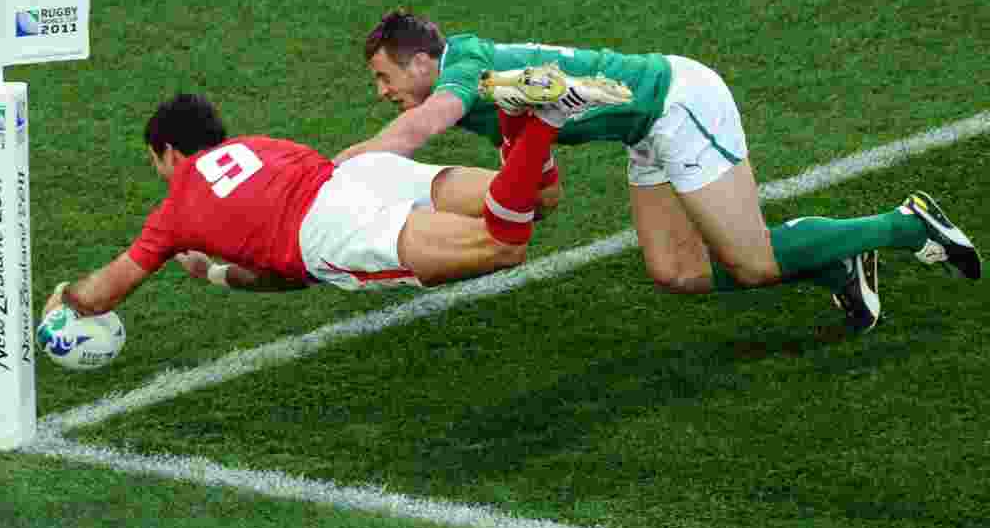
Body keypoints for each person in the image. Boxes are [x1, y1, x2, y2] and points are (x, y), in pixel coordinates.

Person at [335, 8, 983, 332]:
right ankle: (835, 263)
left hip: (676, 104)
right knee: (675, 272)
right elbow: (548, 194)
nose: (382, 92)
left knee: (752, 261)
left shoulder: (467, 68)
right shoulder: (491, 97)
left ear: (420, 61)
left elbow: (421, 127)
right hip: (641, 131)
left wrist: (335, 172)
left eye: (384, 77)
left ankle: (904, 225)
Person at [42, 90, 624, 318]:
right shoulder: (259, 144)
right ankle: (521, 125)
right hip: (358, 176)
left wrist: (64, 303)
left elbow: (106, 291)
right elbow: (280, 259)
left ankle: (535, 119)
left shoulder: (175, 212)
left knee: (502, 247)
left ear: (168, 152)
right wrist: (220, 271)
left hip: (331, 228)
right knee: (536, 198)